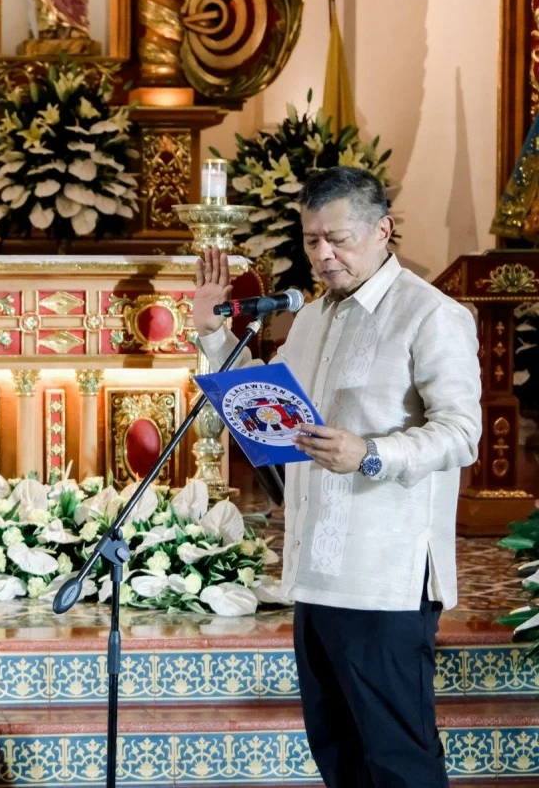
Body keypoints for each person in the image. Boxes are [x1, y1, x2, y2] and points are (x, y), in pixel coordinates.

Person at [192, 166, 481, 788]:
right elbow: (265, 403)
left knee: (398, 759)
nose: (324, 255)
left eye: (338, 239)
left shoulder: (432, 315)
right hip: (316, 568)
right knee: (337, 751)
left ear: (383, 230)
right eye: (312, 240)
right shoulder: (313, 317)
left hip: (385, 577)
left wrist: (369, 453)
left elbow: (461, 434)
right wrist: (215, 336)